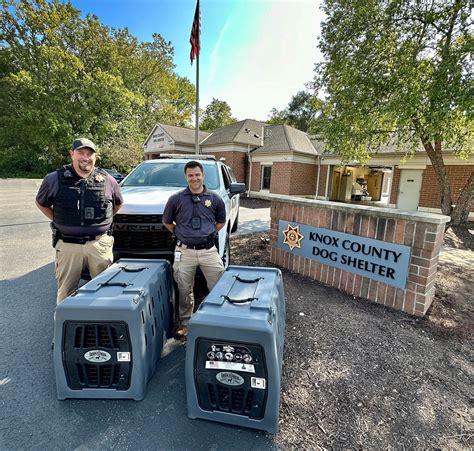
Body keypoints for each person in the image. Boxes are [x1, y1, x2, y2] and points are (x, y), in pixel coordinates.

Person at [36, 138, 123, 303]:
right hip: (68, 246)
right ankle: (66, 326)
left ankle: (100, 325)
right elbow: (41, 203)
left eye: (89, 154)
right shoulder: (54, 179)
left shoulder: (108, 180)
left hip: (99, 245)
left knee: (103, 292)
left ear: (95, 157)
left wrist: (103, 220)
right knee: (66, 293)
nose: (85, 157)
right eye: (81, 153)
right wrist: (58, 219)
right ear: (71, 154)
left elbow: (118, 203)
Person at [163, 160, 226, 339]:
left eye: (197, 174)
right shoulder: (176, 199)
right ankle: (185, 322)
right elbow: (167, 222)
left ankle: (215, 320)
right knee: (184, 288)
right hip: (185, 252)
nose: (194, 178)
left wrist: (210, 232)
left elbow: (221, 221)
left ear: (203, 175)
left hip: (209, 251)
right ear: (186, 177)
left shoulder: (214, 198)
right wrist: (180, 233)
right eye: (190, 175)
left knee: (218, 285)